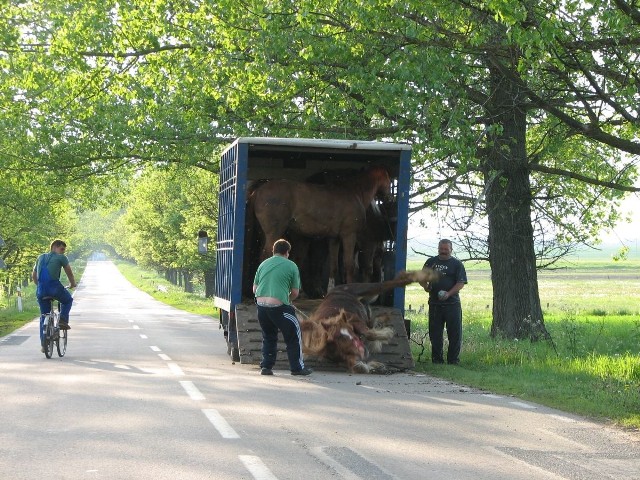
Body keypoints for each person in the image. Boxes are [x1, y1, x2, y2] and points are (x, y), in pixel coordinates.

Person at [253, 239, 312, 376]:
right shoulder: (291, 265)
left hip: (261, 306)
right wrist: (288, 300)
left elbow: (255, 288)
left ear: (273, 251)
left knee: (269, 336)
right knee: (294, 334)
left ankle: (266, 367)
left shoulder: (263, 264)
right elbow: (295, 292)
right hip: (279, 307)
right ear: (287, 252)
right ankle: (297, 368)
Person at [421, 239, 467, 365]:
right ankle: (437, 360)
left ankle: (453, 360)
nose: (443, 251)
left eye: (446, 249)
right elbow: (421, 278)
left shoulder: (457, 264)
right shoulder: (431, 262)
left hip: (452, 304)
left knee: (454, 334)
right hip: (435, 304)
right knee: (435, 333)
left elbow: (460, 283)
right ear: (438, 249)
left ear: (451, 250)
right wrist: (426, 287)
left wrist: (448, 294)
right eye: (441, 249)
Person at [32, 240, 77, 346]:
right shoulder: (61, 257)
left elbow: (34, 275)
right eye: (62, 249)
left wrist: (39, 286)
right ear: (55, 247)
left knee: (44, 315)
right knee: (67, 300)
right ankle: (63, 320)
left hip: (41, 290)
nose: (63, 252)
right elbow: (69, 272)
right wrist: (72, 283)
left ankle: (44, 343)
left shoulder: (40, 257)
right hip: (55, 288)